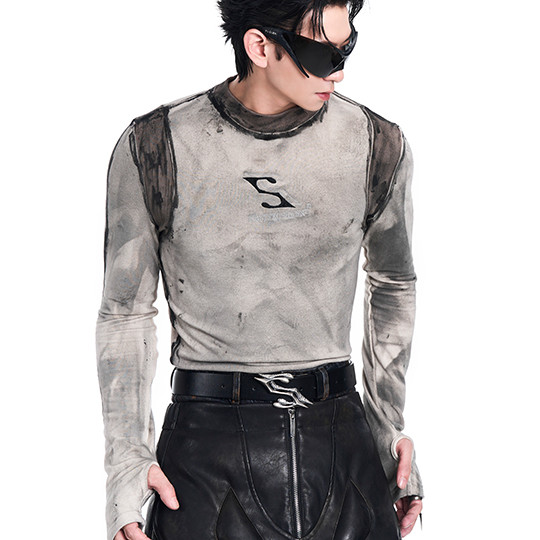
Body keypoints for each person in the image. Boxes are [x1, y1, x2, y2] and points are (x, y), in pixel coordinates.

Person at [95, 1, 425, 539]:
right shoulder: (156, 145)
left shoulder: (377, 143)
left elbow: (393, 284)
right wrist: (127, 462)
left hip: (343, 444)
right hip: (205, 452)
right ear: (260, 46)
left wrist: (389, 429)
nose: (339, 72)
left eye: (347, 48)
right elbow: (125, 311)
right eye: (322, 54)